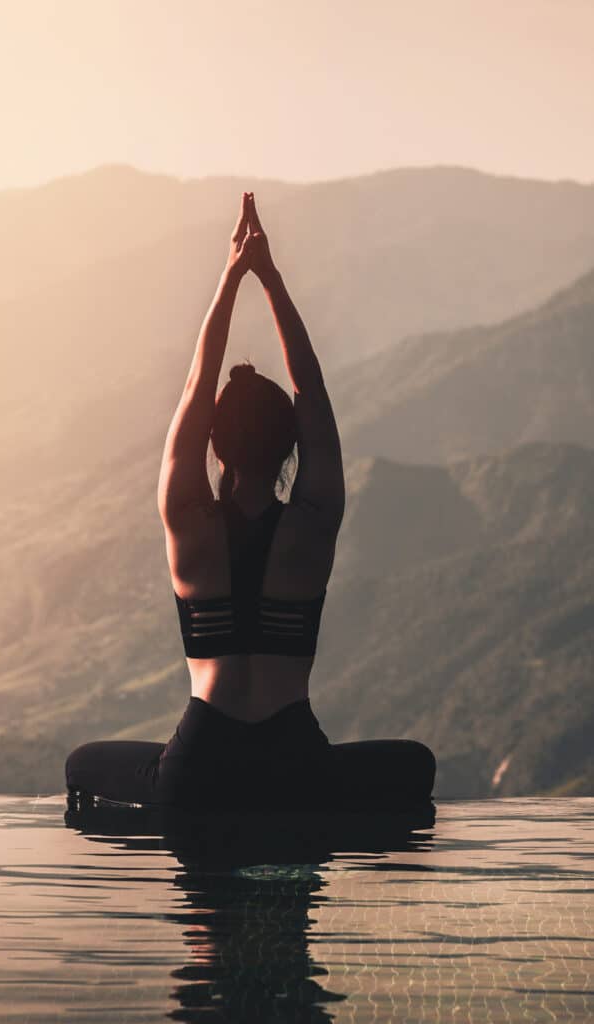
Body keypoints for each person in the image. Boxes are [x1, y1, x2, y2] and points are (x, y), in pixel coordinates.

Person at [66, 192, 435, 812]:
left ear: (215, 444)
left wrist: (230, 276)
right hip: (296, 765)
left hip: (198, 766)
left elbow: (195, 386)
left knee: (82, 766)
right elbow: (310, 388)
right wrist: (270, 277)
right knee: (415, 765)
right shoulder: (314, 521)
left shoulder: (186, 521)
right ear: (290, 442)